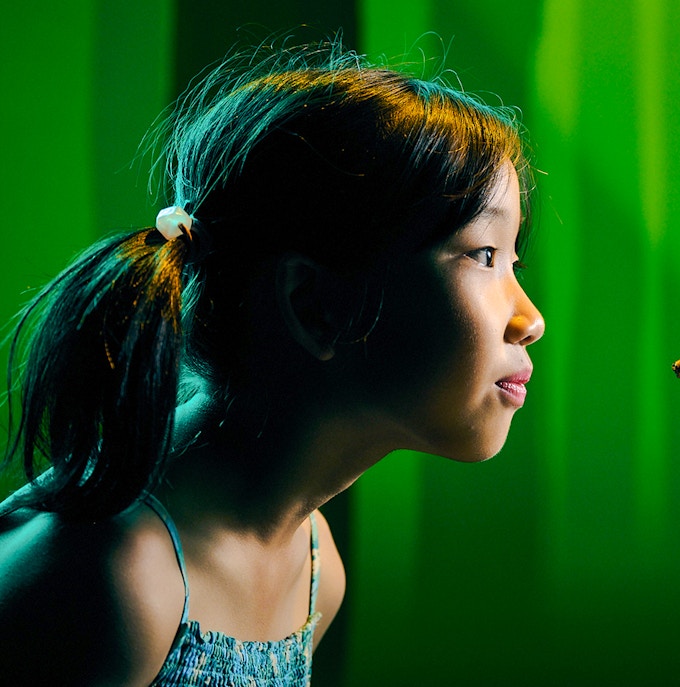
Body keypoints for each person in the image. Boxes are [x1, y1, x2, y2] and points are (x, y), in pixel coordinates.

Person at [0, 39, 544, 685]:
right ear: (314, 304)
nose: (531, 319)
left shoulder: (315, 570)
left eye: (514, 261)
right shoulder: (107, 578)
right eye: (482, 255)